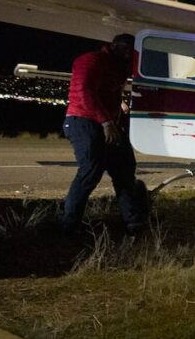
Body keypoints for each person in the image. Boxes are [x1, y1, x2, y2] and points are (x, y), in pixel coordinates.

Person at [61, 33, 148, 236]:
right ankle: (68, 225)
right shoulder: (91, 60)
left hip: (108, 123)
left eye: (131, 51)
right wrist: (106, 122)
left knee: (124, 170)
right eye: (125, 48)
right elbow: (85, 92)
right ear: (113, 46)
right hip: (82, 121)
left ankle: (134, 223)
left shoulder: (119, 67)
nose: (128, 53)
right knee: (91, 171)